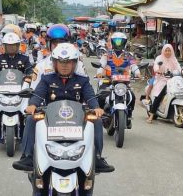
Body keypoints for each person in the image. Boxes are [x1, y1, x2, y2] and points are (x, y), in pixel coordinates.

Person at [12, 43, 115, 173]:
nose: (64, 65)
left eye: (68, 62)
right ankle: (28, 156)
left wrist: (96, 108)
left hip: (77, 117)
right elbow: (38, 94)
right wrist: (32, 105)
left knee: (97, 121)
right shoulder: (47, 78)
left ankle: (97, 158)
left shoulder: (82, 80)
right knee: (32, 119)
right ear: (55, 63)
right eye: (61, 62)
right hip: (51, 116)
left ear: (74, 64)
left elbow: (90, 96)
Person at [0, 32, 33, 132]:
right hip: (2, 86)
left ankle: (28, 114)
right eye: (9, 46)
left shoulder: (24, 58)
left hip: (20, 87)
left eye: (14, 45)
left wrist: (30, 75)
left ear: (18, 46)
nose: (11, 48)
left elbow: (29, 70)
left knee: (31, 91)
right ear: (4, 46)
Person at [96, 32, 137, 127]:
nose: (118, 44)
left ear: (124, 42)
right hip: (108, 80)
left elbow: (134, 65)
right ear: (113, 42)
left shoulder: (128, 55)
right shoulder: (107, 55)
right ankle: (101, 115)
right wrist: (99, 72)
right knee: (101, 95)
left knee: (132, 97)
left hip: (124, 82)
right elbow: (102, 64)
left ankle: (129, 116)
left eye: (120, 42)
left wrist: (137, 72)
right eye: (117, 42)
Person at [30, 24, 87, 90]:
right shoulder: (41, 66)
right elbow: (34, 91)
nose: (59, 46)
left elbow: (86, 89)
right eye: (55, 43)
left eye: (62, 43)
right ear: (49, 45)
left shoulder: (78, 64)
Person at [147, 44, 182, 123]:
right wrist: (158, 70)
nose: (167, 52)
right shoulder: (159, 58)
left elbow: (178, 67)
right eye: (166, 50)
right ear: (163, 51)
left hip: (173, 79)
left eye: (169, 50)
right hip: (162, 79)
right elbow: (156, 65)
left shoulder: (174, 59)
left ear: (172, 51)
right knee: (159, 96)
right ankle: (152, 115)